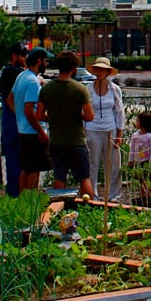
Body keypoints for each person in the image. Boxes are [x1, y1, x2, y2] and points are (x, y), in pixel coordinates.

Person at [36, 51, 95, 198]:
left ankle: (59, 207)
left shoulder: (47, 89)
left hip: (56, 141)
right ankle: (90, 209)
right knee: (84, 178)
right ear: (74, 68)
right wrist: (75, 114)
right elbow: (89, 116)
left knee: (60, 178)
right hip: (76, 141)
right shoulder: (80, 89)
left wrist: (54, 116)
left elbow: (39, 115)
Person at [9, 47, 52, 192]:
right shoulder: (33, 82)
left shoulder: (22, 76)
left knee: (25, 167)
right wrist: (40, 131)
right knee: (34, 168)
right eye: (45, 60)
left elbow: (10, 99)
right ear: (39, 61)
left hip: (23, 130)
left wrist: (19, 115)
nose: (47, 64)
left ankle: (23, 200)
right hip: (33, 133)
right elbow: (29, 110)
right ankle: (32, 200)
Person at [85, 57, 125, 201]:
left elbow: (120, 112)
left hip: (110, 129)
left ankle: (113, 196)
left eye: (102, 69)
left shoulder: (115, 89)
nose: (99, 72)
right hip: (92, 128)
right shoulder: (88, 89)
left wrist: (119, 133)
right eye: (97, 69)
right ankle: (92, 195)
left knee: (114, 163)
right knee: (92, 163)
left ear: (107, 72)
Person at [0, 43, 28, 197]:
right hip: (13, 122)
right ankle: (14, 192)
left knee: (17, 160)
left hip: (12, 121)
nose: (24, 59)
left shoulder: (9, 72)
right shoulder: (12, 72)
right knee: (15, 160)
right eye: (22, 56)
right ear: (14, 56)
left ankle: (15, 191)